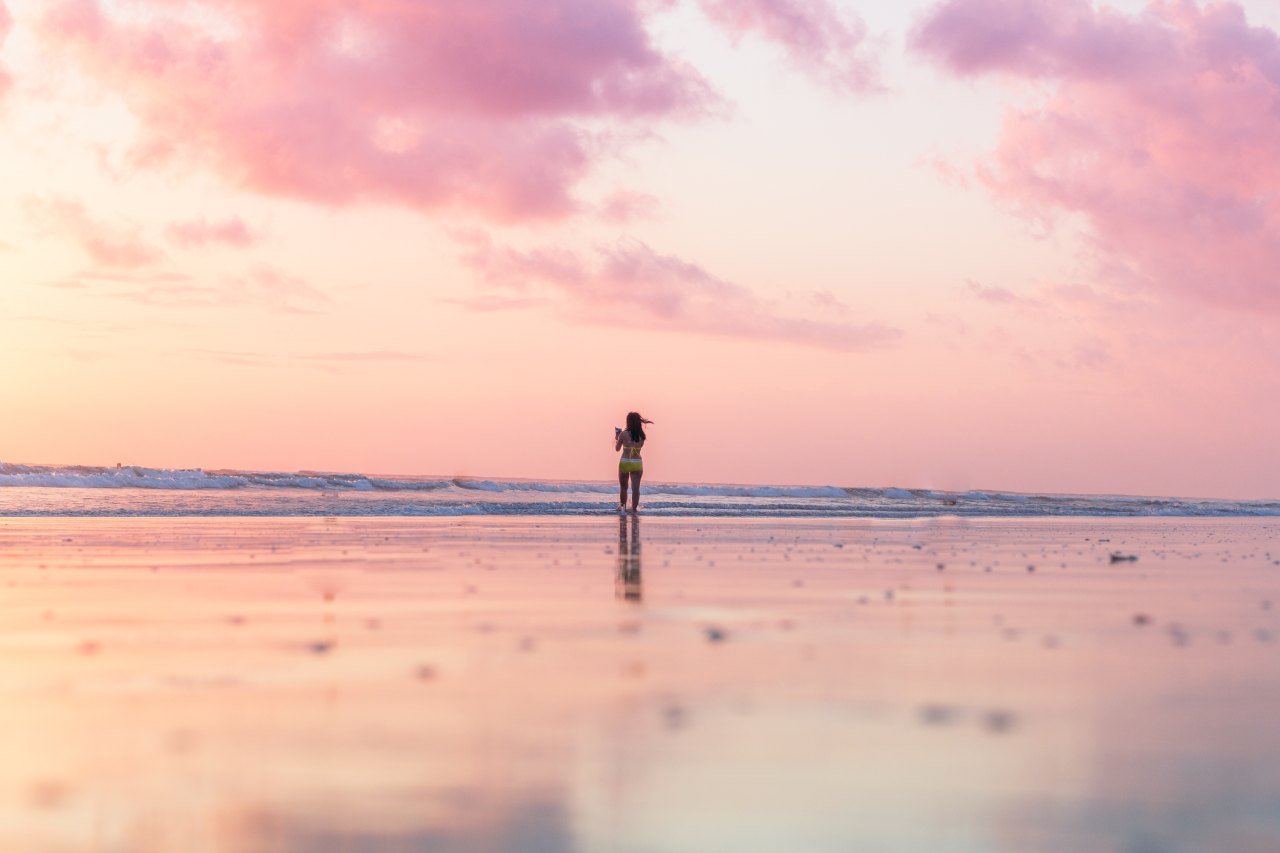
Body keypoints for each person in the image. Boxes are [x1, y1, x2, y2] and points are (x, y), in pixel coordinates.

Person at [615, 411, 651, 513]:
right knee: (636, 489)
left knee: (624, 488)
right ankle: (634, 510)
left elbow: (617, 449)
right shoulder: (642, 436)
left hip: (625, 462)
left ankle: (623, 509)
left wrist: (617, 437)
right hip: (637, 463)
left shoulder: (623, 434)